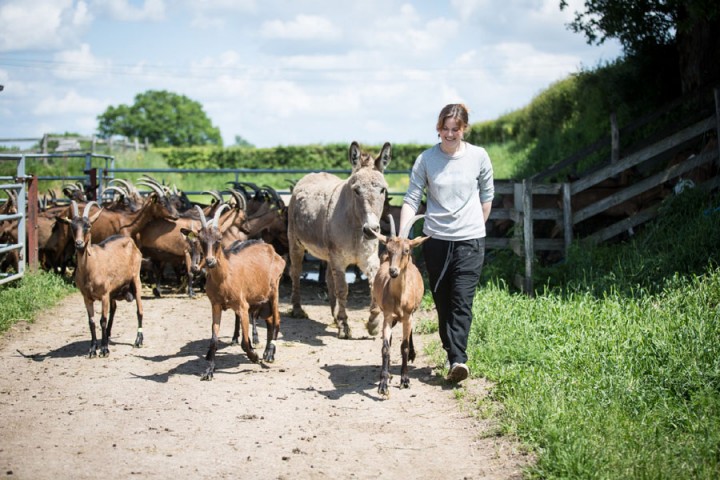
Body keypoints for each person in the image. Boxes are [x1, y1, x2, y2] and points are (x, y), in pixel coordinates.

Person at [398, 103, 494, 384]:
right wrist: (405, 233)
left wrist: (476, 225)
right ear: (438, 129)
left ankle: (458, 359)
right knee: (442, 301)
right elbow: (412, 198)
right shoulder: (427, 159)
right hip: (435, 240)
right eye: (445, 129)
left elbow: (487, 195)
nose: (450, 134)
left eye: (456, 129)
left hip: (470, 240)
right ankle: (452, 350)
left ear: (464, 129)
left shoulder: (478, 156)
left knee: (462, 300)